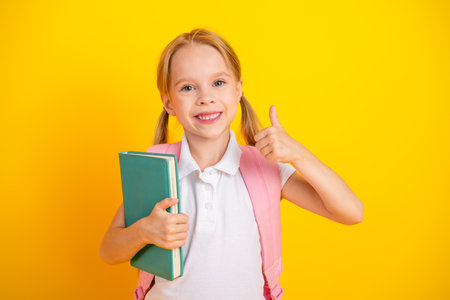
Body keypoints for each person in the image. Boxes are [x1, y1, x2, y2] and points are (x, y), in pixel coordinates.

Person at [99, 28, 364, 300]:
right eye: (188, 87)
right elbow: (108, 251)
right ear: (169, 103)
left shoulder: (264, 167)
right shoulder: (156, 168)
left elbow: (352, 212)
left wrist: (299, 155)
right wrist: (144, 231)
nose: (206, 97)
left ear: (238, 90)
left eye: (218, 83)